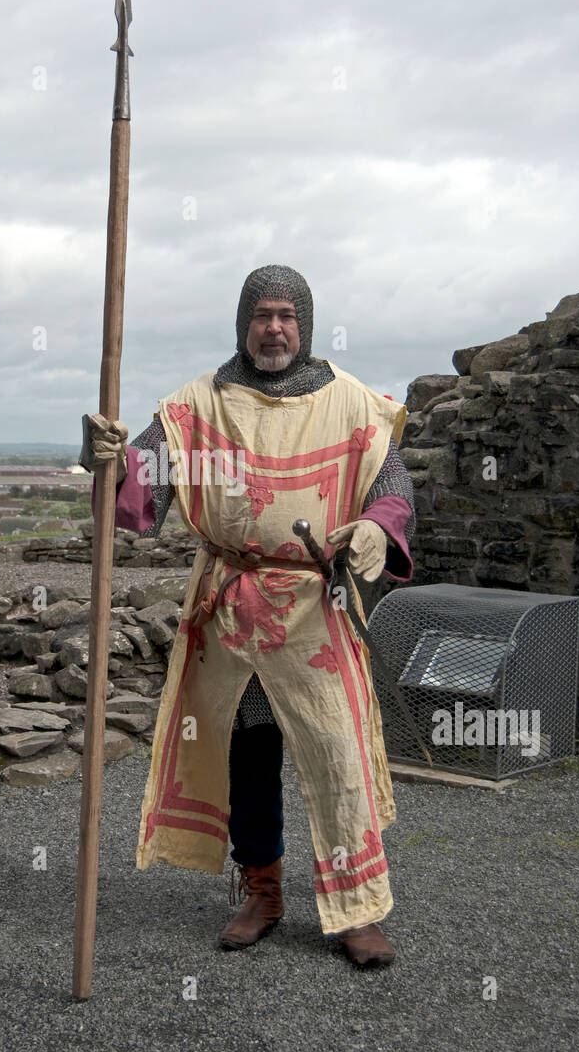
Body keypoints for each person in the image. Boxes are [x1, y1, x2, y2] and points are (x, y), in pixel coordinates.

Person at [82, 265, 415, 966]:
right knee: (249, 758)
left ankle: (357, 910)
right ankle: (261, 891)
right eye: (262, 316)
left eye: (285, 317)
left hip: (315, 607)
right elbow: (134, 502)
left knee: (337, 756)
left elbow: (391, 484)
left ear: (305, 322)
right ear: (243, 323)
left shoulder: (352, 404)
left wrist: (377, 527)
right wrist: (105, 462)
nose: (273, 328)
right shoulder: (197, 408)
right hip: (231, 611)